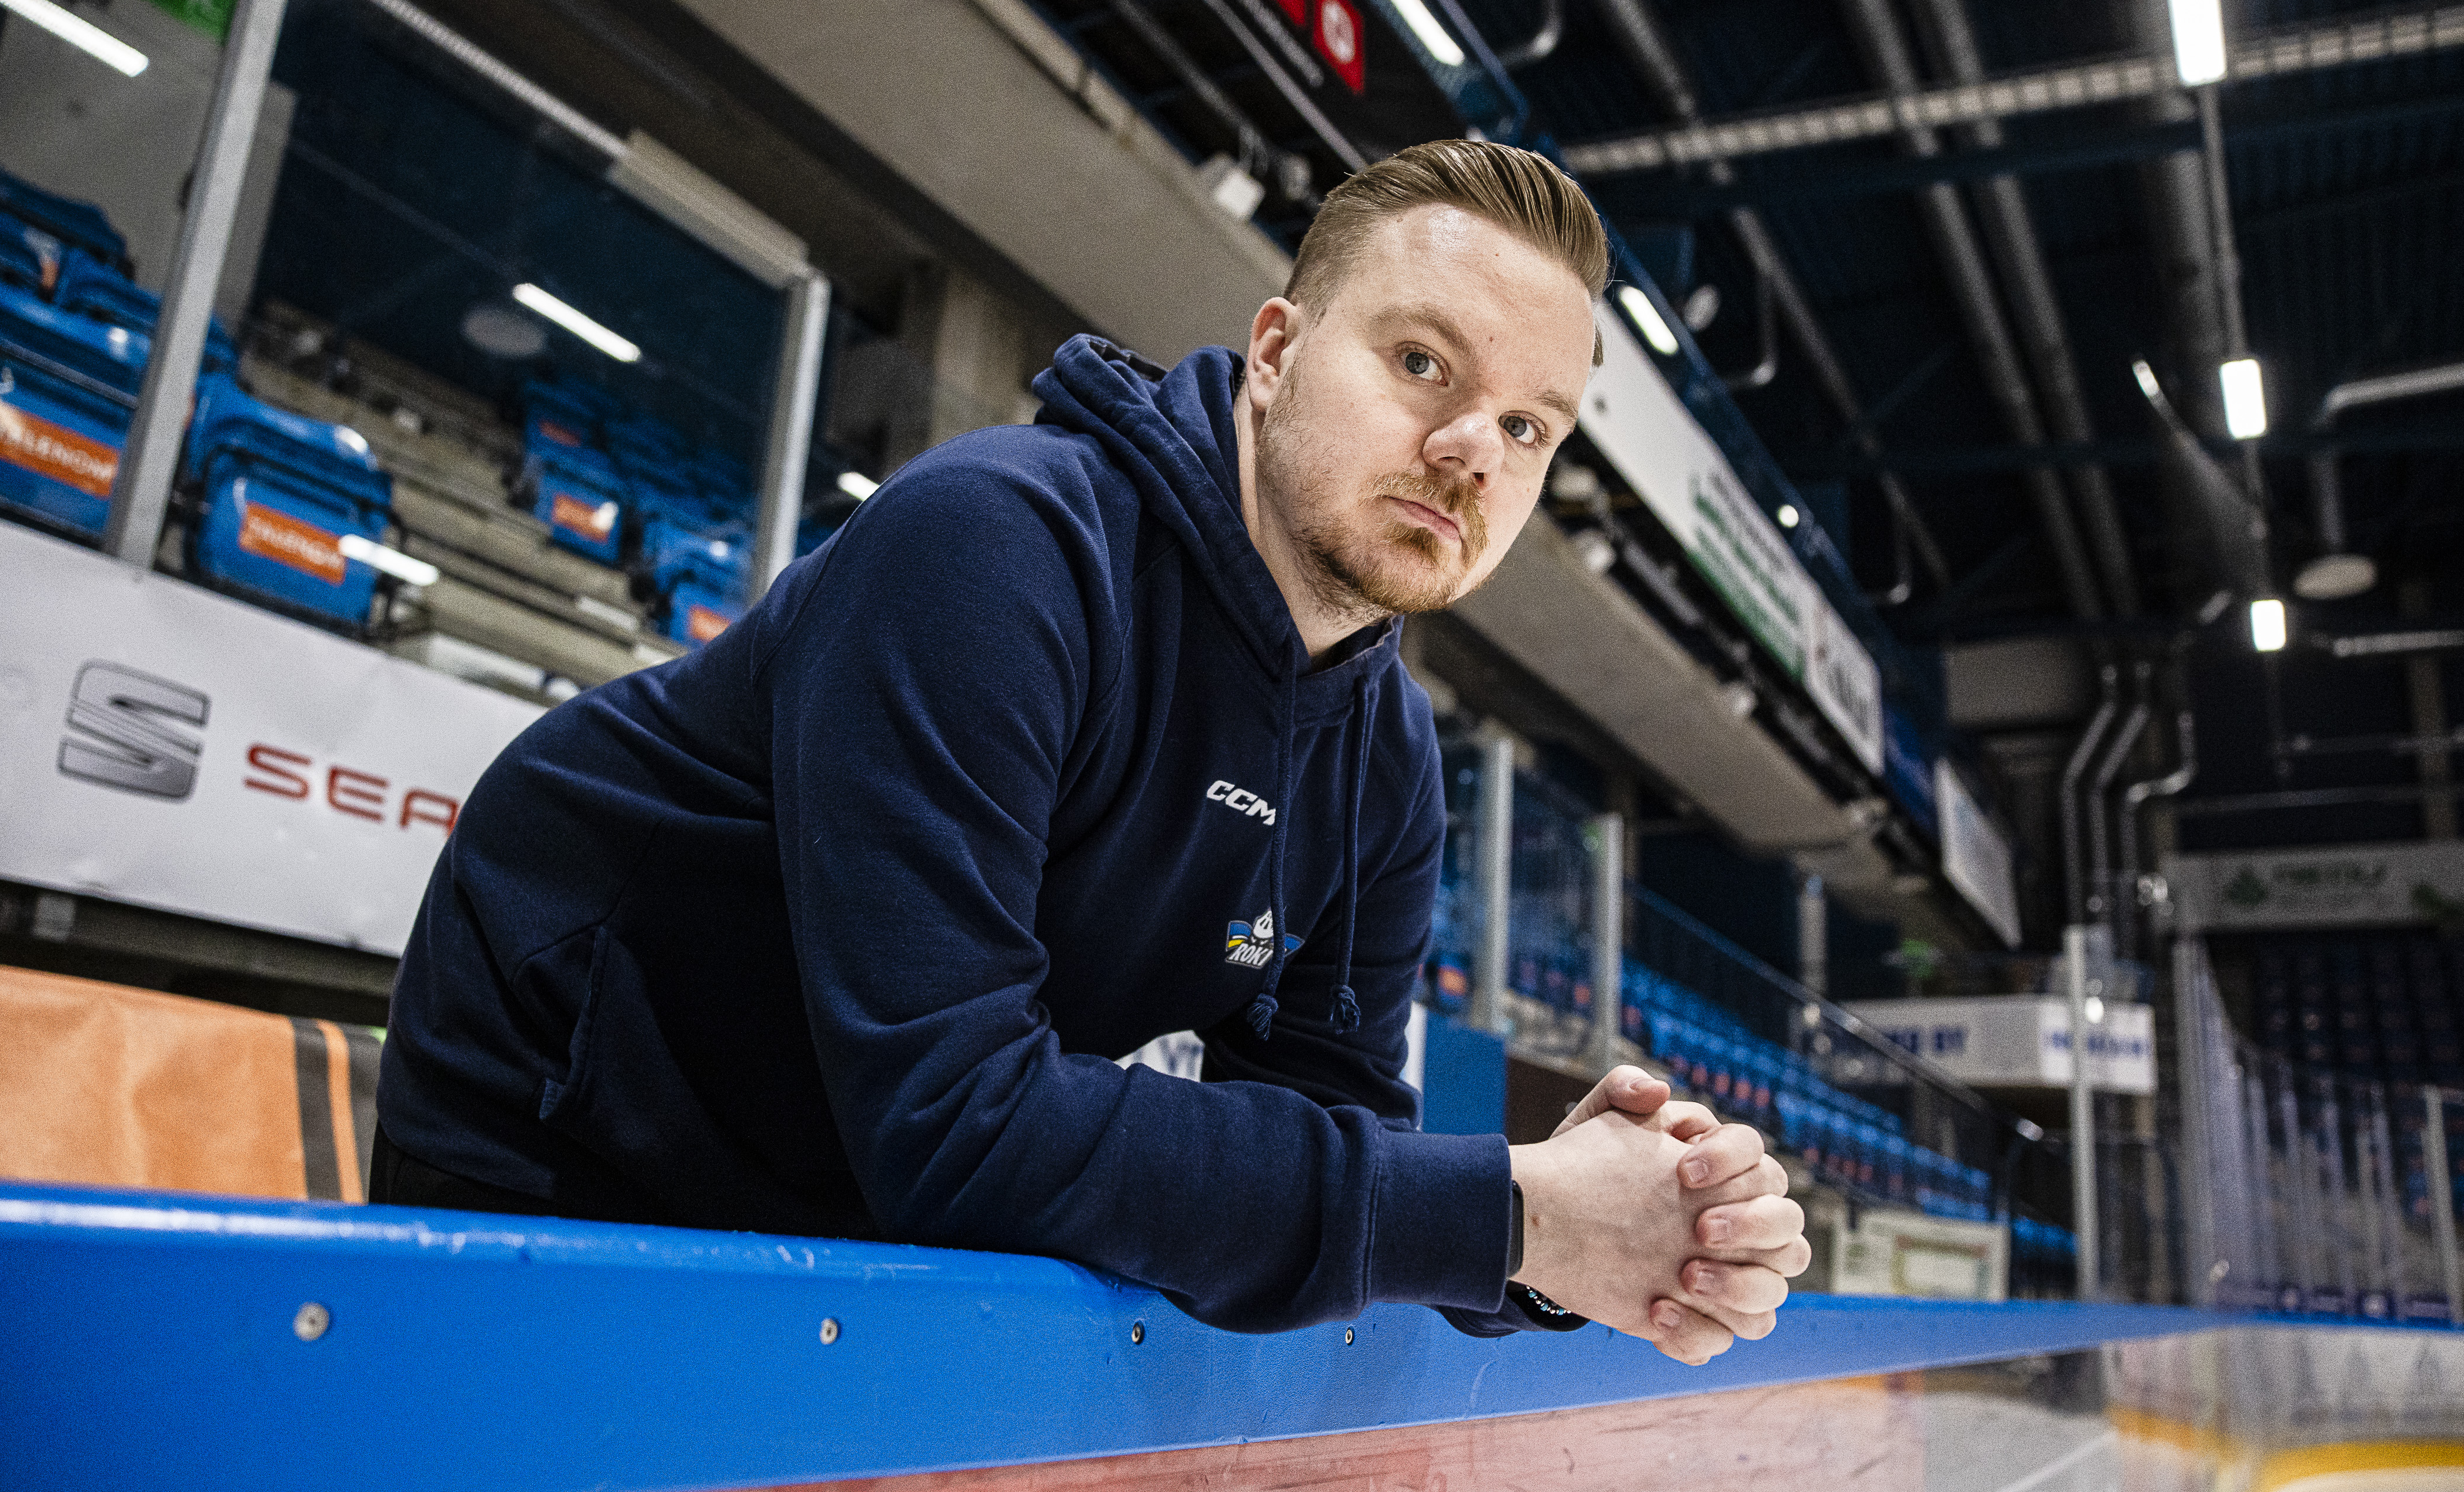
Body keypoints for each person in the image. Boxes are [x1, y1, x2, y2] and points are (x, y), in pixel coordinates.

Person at [374, 140, 1809, 1360]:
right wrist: (1514, 1210)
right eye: (1423, 361)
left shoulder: (1384, 756)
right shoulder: (996, 546)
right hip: (572, 1131)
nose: (1469, 450)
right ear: (1276, 353)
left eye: (1526, 426)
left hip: (850, 1185)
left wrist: (1587, 1240)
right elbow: (956, 1122)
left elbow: (1330, 1143)